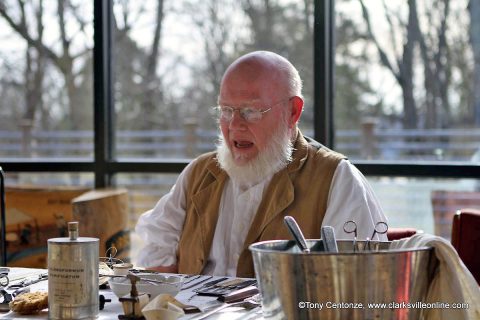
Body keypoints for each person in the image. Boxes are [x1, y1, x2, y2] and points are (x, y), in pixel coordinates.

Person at [136, 51, 387, 277]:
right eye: (225, 111)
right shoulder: (199, 174)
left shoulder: (336, 179)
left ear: (293, 112)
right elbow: (158, 249)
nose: (234, 125)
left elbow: (358, 283)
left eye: (250, 111)